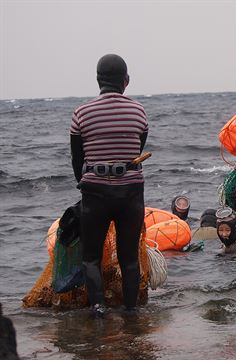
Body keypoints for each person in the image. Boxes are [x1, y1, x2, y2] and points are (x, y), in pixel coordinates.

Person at [70, 54, 148, 317]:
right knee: (129, 258)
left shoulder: (81, 113)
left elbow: (77, 158)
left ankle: (98, 310)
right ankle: (131, 311)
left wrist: (82, 184)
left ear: (97, 80)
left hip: (95, 192)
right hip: (131, 193)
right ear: (126, 81)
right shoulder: (139, 111)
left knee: (91, 257)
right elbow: (139, 146)